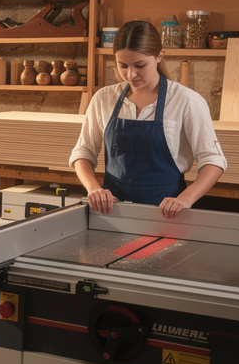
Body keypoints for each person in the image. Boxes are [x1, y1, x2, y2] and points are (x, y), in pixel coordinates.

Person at [70, 19, 226, 219]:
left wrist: (185, 199)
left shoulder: (186, 101)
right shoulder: (103, 98)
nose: (131, 74)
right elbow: (83, 151)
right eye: (123, 66)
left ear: (160, 56)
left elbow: (213, 160)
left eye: (140, 65)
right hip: (113, 214)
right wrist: (93, 189)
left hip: (167, 215)